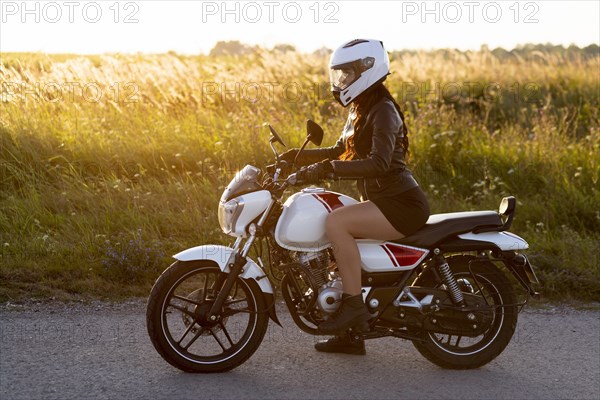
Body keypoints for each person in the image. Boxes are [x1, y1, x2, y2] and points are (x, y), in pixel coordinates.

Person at [280, 39, 430, 355]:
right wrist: (296, 157)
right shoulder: (361, 109)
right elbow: (340, 151)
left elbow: (379, 162)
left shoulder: (384, 111)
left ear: (366, 70)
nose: (341, 82)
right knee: (331, 239)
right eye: (339, 75)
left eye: (346, 74)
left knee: (337, 224)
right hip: (383, 201)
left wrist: (325, 170)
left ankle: (352, 308)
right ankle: (352, 334)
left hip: (401, 204)